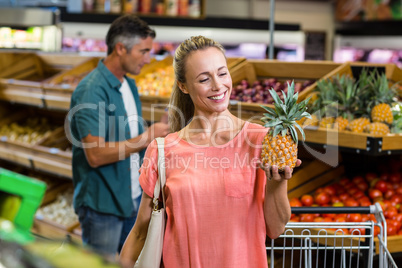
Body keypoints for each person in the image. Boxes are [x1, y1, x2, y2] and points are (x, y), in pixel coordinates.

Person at [119, 35, 300, 268]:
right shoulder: (162, 150)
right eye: (204, 79)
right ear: (183, 86)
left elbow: (275, 229)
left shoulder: (261, 141)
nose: (218, 86)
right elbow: (140, 232)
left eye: (222, 73)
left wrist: (278, 182)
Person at [68, 14, 170, 259]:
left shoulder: (128, 85)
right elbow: (95, 154)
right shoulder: (91, 91)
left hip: (131, 198)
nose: (148, 59)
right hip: (102, 204)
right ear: (121, 48)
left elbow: (127, 137)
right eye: (143, 51)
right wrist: (146, 138)